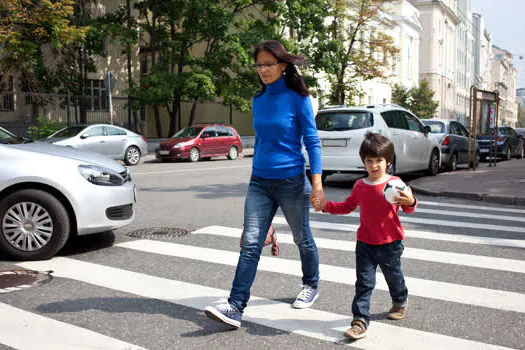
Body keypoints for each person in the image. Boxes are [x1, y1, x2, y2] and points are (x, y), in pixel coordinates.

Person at [204, 40, 325, 329]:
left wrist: (317, 184)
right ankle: (235, 306)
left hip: (291, 181)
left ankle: (311, 284)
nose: (263, 70)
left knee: (302, 238)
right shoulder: (258, 100)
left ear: (283, 66)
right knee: (251, 243)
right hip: (259, 182)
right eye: (259, 65)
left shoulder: (299, 99)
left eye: (268, 64)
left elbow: (312, 141)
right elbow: (263, 143)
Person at [315, 132, 417, 340]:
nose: (374, 165)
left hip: (390, 244)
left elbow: (408, 208)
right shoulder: (360, 186)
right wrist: (326, 206)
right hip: (365, 244)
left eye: (379, 160)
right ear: (363, 162)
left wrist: (410, 201)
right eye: (369, 161)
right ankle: (359, 321)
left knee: (393, 277)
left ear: (387, 162)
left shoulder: (395, 184)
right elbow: (347, 206)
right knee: (364, 283)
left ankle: (400, 300)